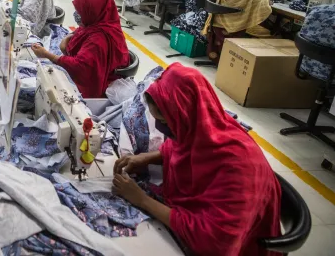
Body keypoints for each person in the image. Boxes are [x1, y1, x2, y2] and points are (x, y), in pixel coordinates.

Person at [111, 64, 281, 256]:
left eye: (164, 122)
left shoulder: (238, 169)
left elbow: (214, 242)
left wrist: (143, 200)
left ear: (186, 115)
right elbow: (180, 147)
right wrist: (146, 158)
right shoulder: (203, 128)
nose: (160, 127)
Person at [31, 0, 129, 98]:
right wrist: (65, 41)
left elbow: (80, 67)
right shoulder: (96, 23)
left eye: (80, 11)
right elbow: (77, 34)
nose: (76, 14)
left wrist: (46, 54)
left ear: (92, 11)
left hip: (93, 84)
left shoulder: (98, 40)